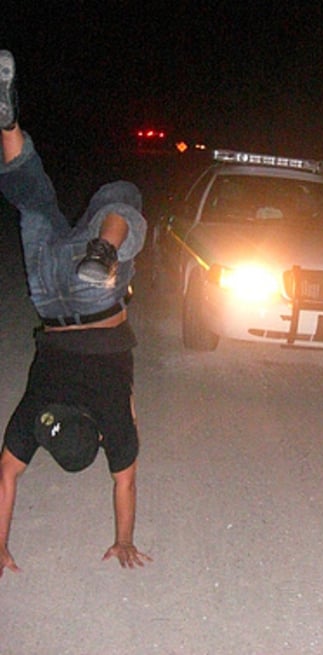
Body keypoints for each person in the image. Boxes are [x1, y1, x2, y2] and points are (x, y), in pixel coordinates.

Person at [0, 50, 152, 578]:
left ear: (101, 434)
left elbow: (125, 482)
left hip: (96, 297)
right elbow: (6, 477)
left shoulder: (115, 424)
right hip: (47, 292)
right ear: (48, 431)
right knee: (34, 202)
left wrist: (124, 541)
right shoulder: (32, 416)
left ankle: (105, 250)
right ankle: (9, 127)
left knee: (122, 198)